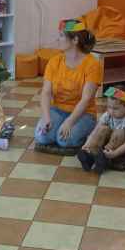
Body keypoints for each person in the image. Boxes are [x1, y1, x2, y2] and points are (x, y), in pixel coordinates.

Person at [35, 18, 102, 151]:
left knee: (64, 141)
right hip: (58, 110)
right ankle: (61, 126)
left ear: (75, 40)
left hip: (84, 114)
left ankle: (89, 130)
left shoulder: (93, 64)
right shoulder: (54, 61)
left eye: (61, 36)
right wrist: (46, 117)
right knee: (42, 137)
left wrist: (69, 122)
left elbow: (86, 99)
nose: (57, 39)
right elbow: (46, 92)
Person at [77, 85, 125, 174]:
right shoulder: (108, 115)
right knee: (102, 129)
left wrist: (114, 154)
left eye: (115, 108)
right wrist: (87, 145)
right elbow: (96, 131)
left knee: (119, 131)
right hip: (110, 142)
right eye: (109, 107)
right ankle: (90, 156)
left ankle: (104, 158)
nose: (111, 111)